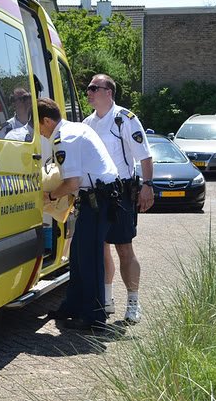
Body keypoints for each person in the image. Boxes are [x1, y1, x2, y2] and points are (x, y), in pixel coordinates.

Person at [38, 97, 119, 331]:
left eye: (39, 126)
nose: (38, 132)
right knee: (78, 255)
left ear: (46, 120)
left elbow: (72, 183)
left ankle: (94, 318)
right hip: (98, 197)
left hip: (98, 199)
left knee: (90, 258)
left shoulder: (65, 138)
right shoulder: (75, 128)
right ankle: (72, 306)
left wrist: (51, 196)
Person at [84, 74, 153, 324]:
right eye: (88, 88)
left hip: (121, 191)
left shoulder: (125, 119)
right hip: (95, 193)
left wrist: (148, 186)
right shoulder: (87, 124)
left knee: (124, 248)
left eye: (93, 88)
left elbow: (144, 156)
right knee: (101, 247)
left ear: (108, 92)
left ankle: (133, 301)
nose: (88, 92)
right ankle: (107, 300)